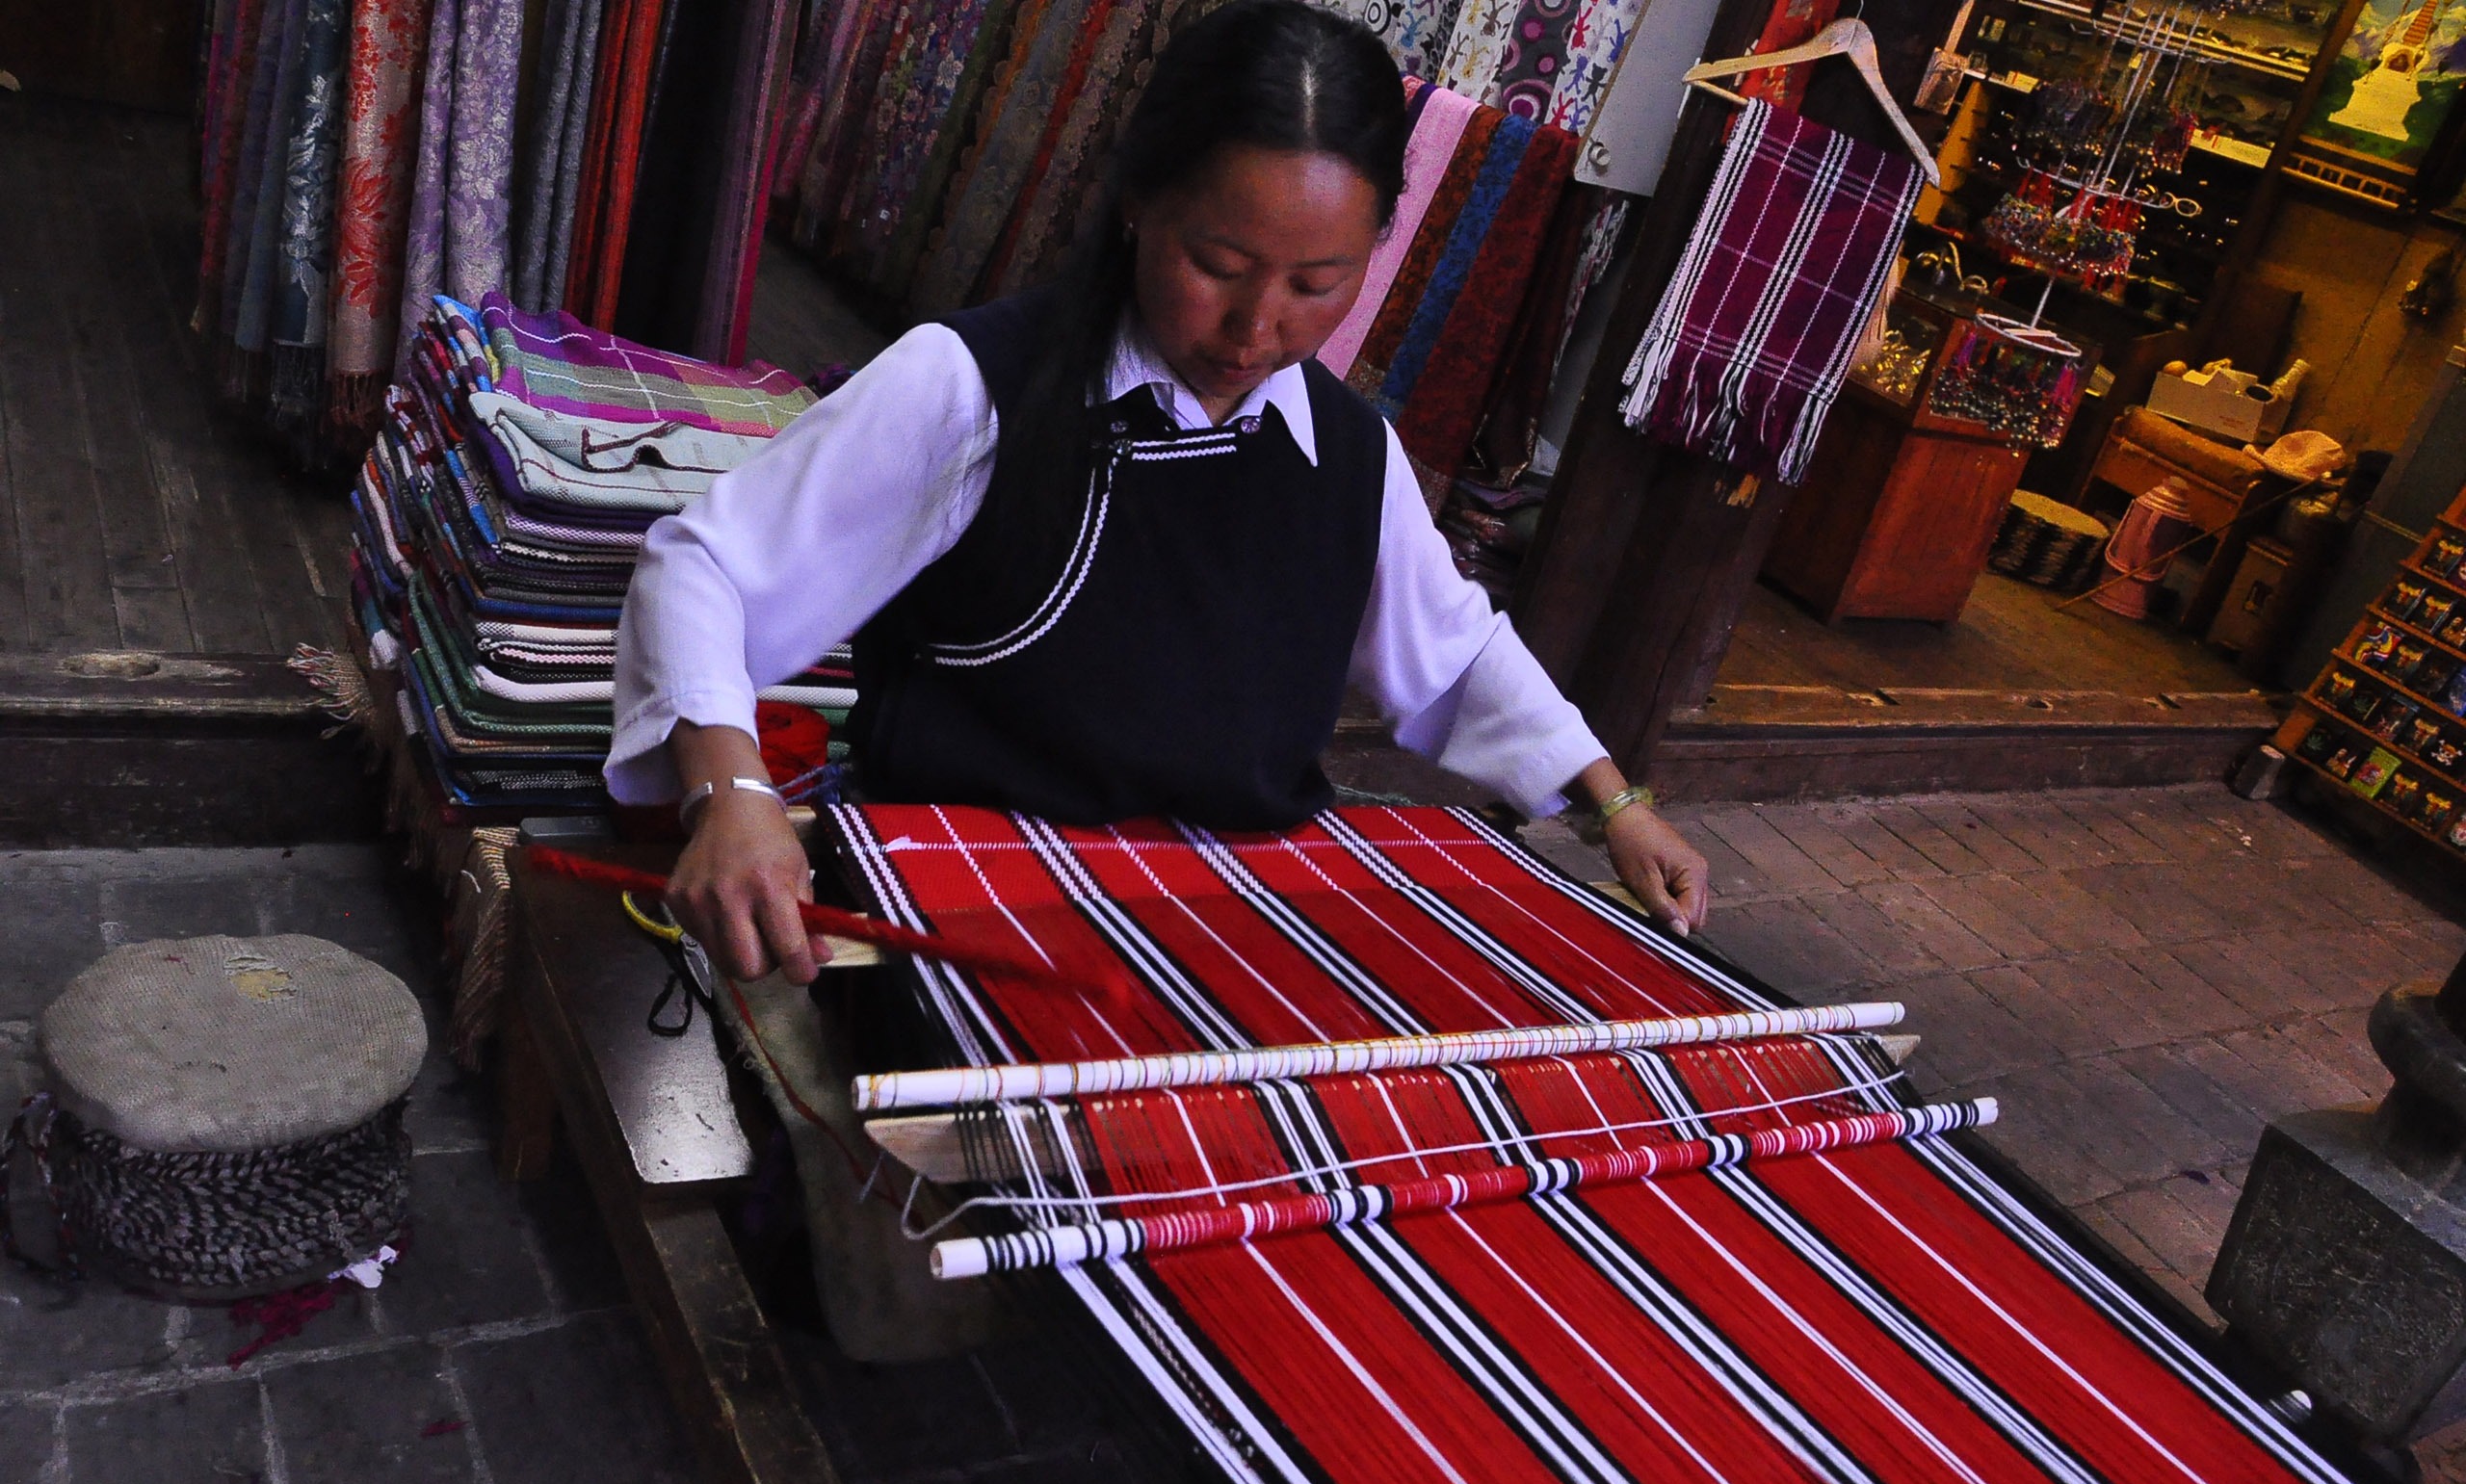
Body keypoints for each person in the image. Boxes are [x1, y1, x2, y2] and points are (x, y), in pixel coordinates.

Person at [611, 0, 1711, 986]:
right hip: (960, 905)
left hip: (1211, 925)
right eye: (1219, 264)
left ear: (1375, 250)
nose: (1257, 325)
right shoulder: (973, 386)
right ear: (1138, 201)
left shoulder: (1347, 449)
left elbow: (1454, 650)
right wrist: (732, 790)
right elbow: (706, 566)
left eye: (1315, 284)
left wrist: (1614, 803)